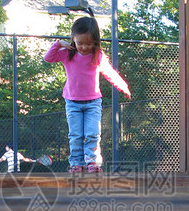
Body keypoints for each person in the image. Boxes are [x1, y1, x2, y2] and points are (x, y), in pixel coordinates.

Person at [43, 16, 131, 173]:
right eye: (80, 43)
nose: (84, 47)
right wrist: (58, 44)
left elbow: (109, 72)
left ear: (95, 42)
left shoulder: (98, 56)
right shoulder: (67, 54)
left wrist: (123, 86)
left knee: (93, 134)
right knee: (75, 135)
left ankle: (92, 162)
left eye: (88, 44)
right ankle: (76, 163)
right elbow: (48, 58)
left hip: (93, 102)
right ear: (73, 40)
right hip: (72, 102)